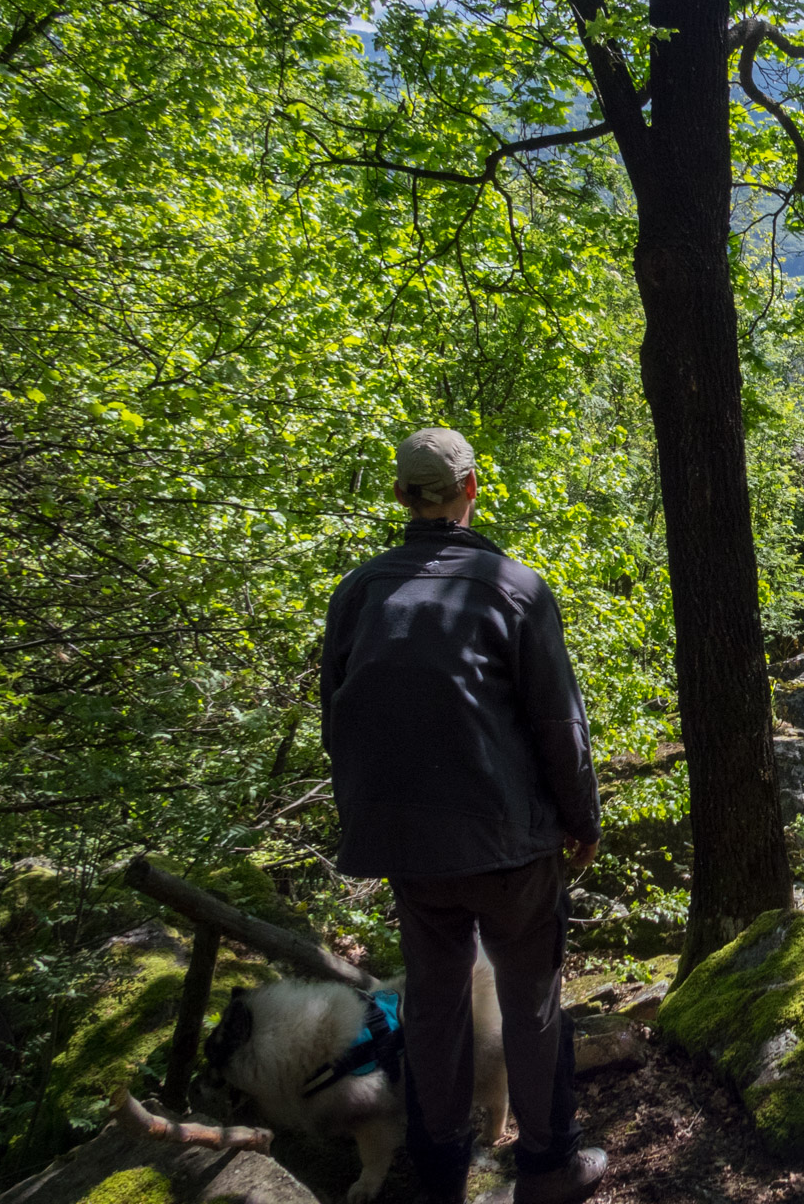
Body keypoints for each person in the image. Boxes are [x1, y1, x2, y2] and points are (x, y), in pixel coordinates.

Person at [321, 427, 608, 1204]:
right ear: (472, 487)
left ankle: (440, 1171)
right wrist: (583, 821)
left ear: (400, 498)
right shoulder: (515, 587)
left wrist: (371, 823)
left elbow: (337, 718)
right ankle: (549, 1167)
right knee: (531, 1000)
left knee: (435, 1005)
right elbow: (560, 726)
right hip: (509, 844)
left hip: (411, 851)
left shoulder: (359, 593)